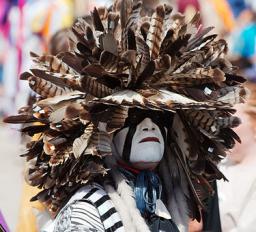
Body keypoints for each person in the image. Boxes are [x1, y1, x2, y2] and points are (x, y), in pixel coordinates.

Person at [4, 0, 247, 231]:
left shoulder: (168, 200)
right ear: (104, 130)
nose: (149, 125)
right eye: (132, 116)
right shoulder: (86, 209)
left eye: (159, 115)